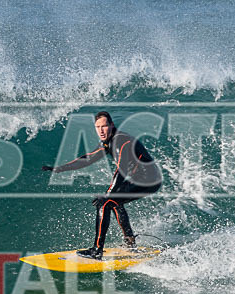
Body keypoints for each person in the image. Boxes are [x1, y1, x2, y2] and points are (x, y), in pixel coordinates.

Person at [42, 111, 162, 259]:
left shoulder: (120, 141)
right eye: (97, 127)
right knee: (114, 202)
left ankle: (97, 250)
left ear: (111, 125)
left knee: (105, 203)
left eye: (104, 126)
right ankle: (130, 243)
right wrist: (60, 169)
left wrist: (107, 195)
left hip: (148, 180)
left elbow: (122, 171)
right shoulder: (108, 142)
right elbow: (88, 158)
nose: (101, 130)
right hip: (139, 178)